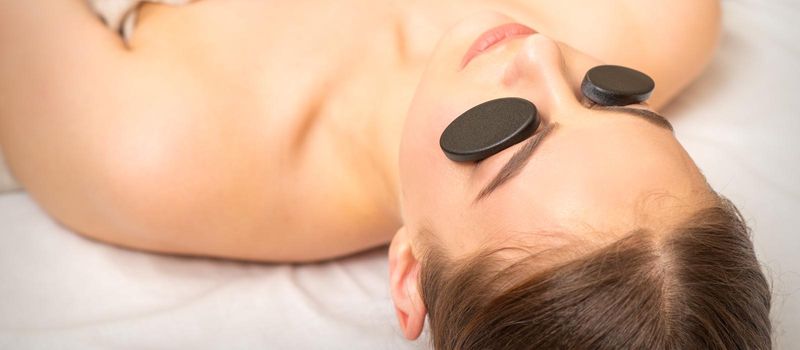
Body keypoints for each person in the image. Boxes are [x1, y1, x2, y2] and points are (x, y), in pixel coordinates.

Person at [0, 1, 771, 349]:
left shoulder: (148, 149)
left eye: (508, 136)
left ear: (410, 278)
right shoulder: (659, 14)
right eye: (618, 99)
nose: (540, 53)